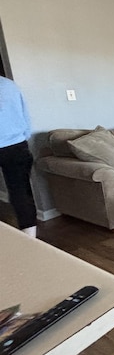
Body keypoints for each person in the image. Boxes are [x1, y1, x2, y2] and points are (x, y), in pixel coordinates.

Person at [0, 76, 37, 237]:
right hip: (16, 145)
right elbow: (24, 114)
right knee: (21, 193)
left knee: (20, 194)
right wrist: (24, 137)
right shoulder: (9, 85)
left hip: (15, 145)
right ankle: (31, 238)